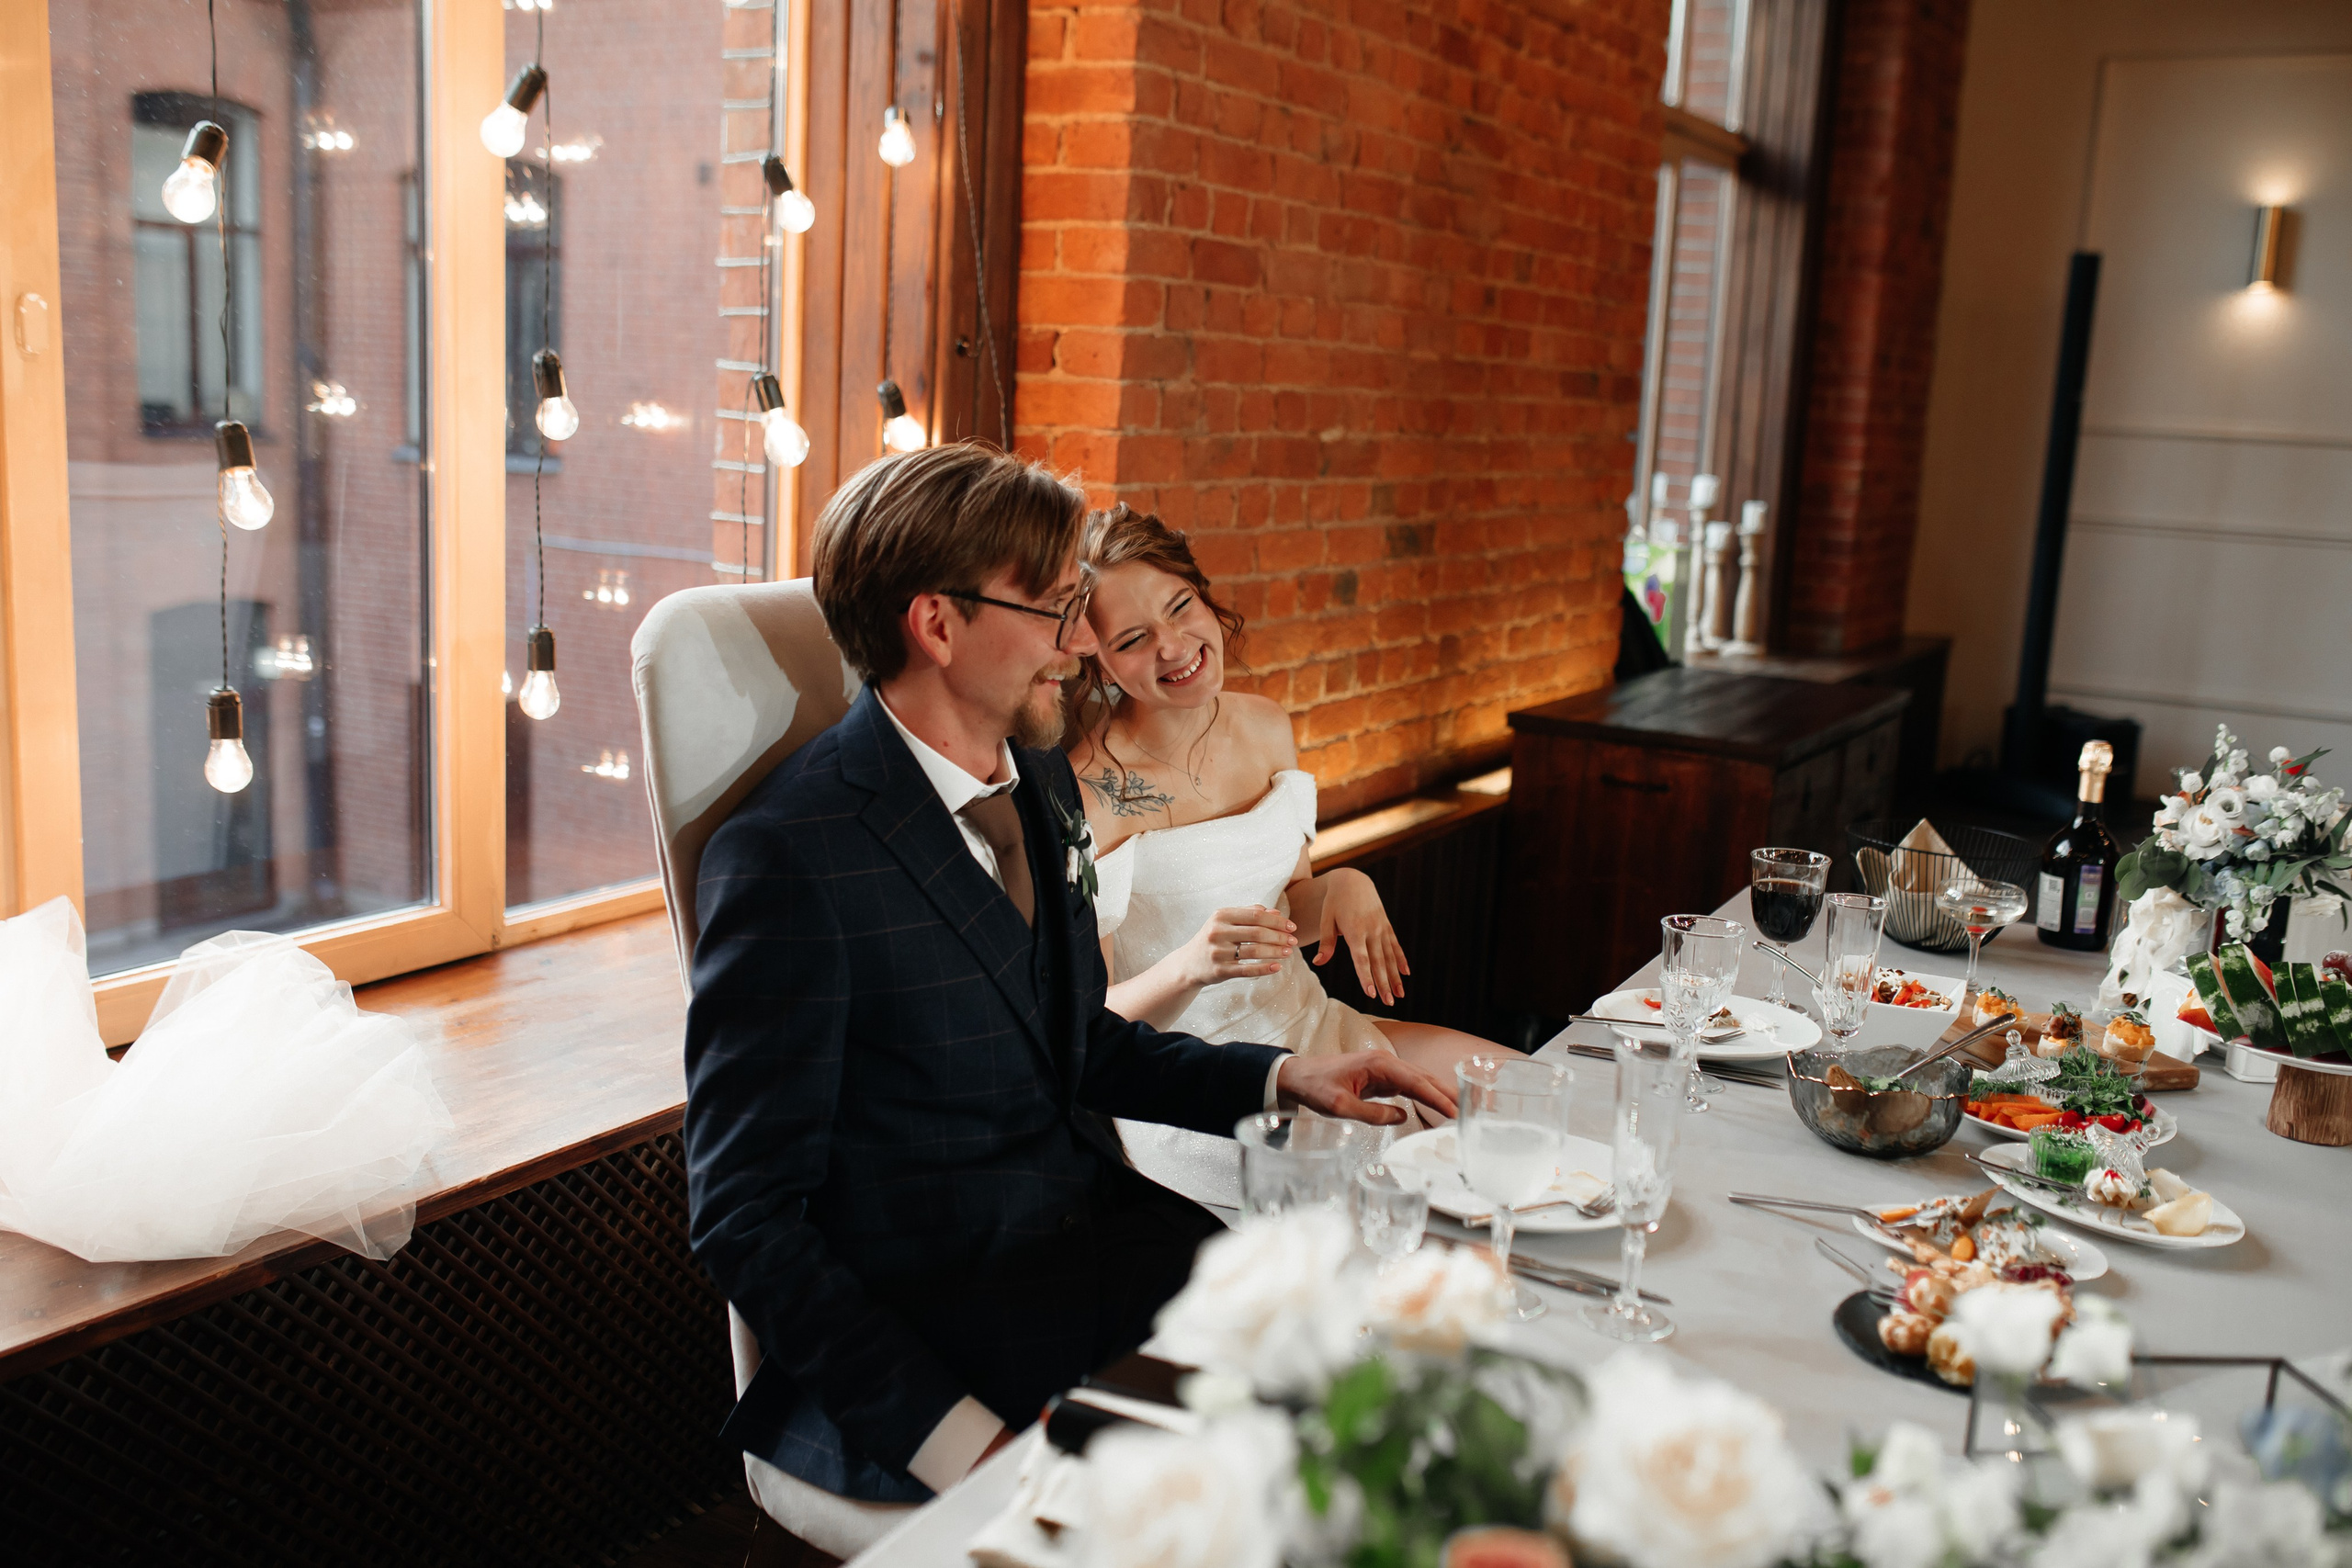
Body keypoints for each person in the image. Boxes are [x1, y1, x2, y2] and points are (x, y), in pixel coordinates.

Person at [682, 445, 1454, 1506]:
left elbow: (1075, 1043)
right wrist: (973, 1455)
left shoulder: (1034, 773)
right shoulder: (788, 859)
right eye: (1054, 608)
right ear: (938, 625)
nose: (1080, 642)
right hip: (947, 1344)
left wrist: (1279, 1080)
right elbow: (747, 1218)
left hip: (1111, 1263)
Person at [1065, 505, 1518, 1199]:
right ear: (1096, 658)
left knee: (1532, 1095)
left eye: (1181, 606)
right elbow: (1093, 1026)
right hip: (1196, 1086)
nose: (1173, 645)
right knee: (1431, 1196)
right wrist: (1190, 965)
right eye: (1133, 637)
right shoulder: (1088, 791)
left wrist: (1341, 887)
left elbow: (1283, 919)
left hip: (1309, 1021)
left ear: (1205, 593)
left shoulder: (1266, 724)